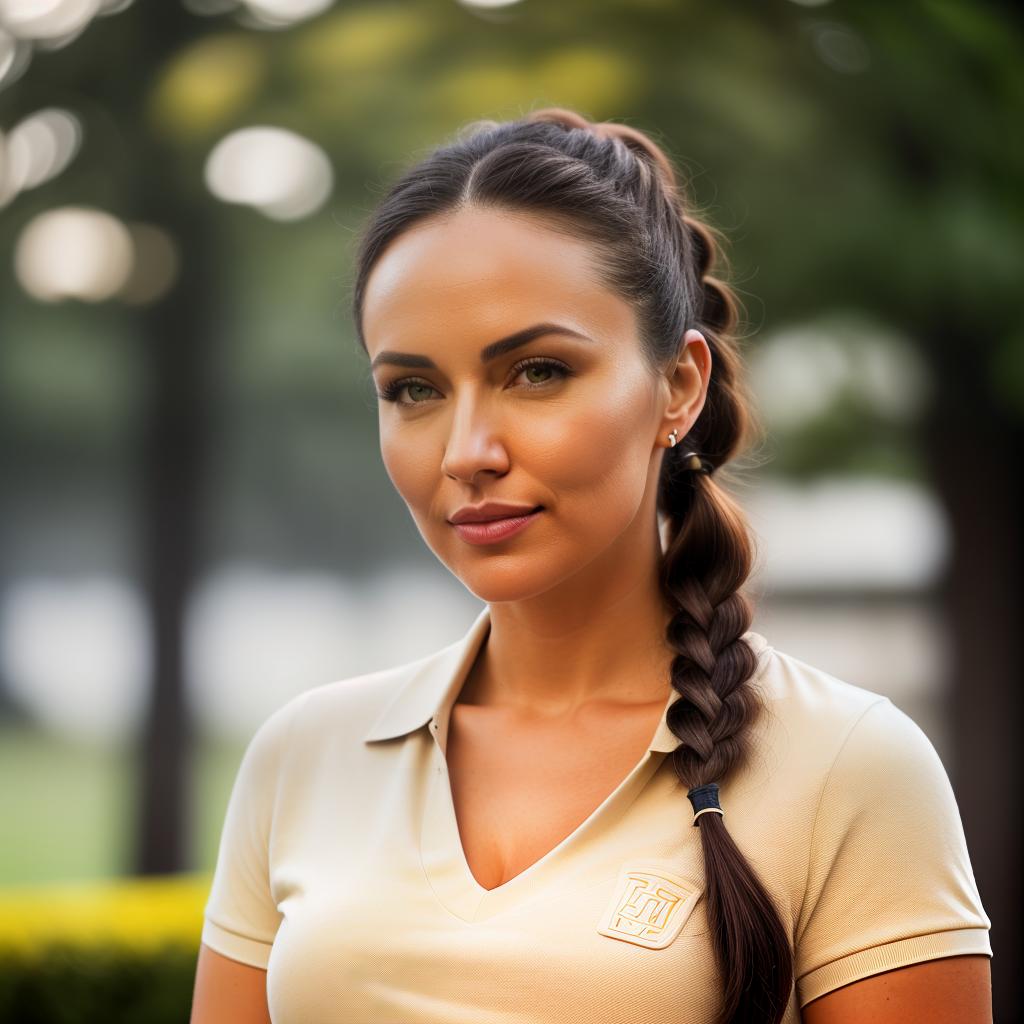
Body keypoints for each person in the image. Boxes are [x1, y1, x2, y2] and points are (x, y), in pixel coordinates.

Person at [190, 109, 993, 1024]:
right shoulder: (305, 756)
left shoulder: (849, 769)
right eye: (412, 389)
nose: (467, 452)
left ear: (678, 387)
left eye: (536, 371)